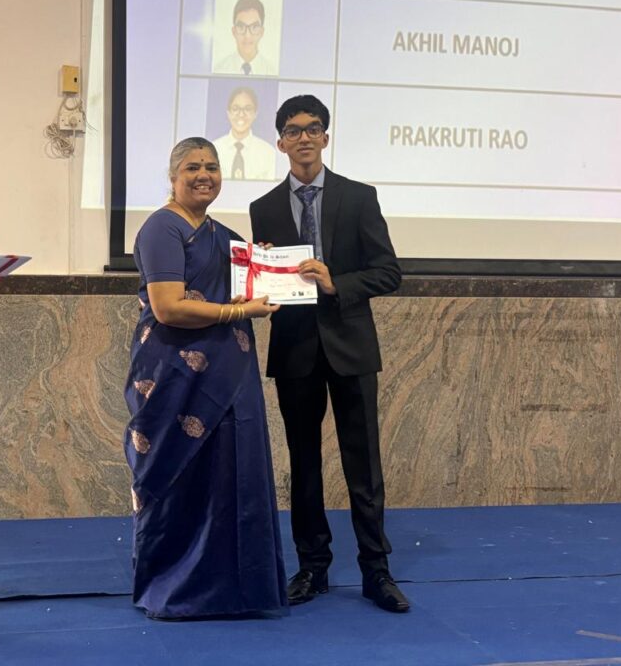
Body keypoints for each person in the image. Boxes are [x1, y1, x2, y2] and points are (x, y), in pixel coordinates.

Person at [249, 95, 410, 613]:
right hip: (294, 349)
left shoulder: (359, 197)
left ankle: (376, 571)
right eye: (293, 130)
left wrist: (335, 281)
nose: (304, 137)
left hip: (351, 348)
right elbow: (267, 280)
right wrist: (258, 284)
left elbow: (388, 272)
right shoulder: (263, 208)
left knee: (364, 465)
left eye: (313, 128)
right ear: (280, 142)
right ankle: (312, 567)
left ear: (325, 137)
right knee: (304, 464)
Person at [124, 136, 288, 620]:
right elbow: (169, 308)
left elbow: (246, 286)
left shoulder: (224, 236)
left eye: (212, 167)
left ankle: (236, 590)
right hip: (173, 374)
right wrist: (238, 311)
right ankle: (174, 590)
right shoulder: (161, 228)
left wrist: (267, 267)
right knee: (178, 475)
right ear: (173, 176)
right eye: (193, 167)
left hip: (230, 375)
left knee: (232, 473)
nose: (204, 175)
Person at [212, 87, 278, 180]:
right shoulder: (213, 150)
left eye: (247, 109)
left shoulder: (268, 153)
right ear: (228, 113)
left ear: (255, 114)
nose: (241, 114)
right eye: (235, 108)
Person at [213, 0, 278, 76]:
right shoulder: (219, 71)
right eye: (241, 27)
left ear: (261, 32)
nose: (247, 35)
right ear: (234, 31)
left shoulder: (272, 73)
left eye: (254, 27)